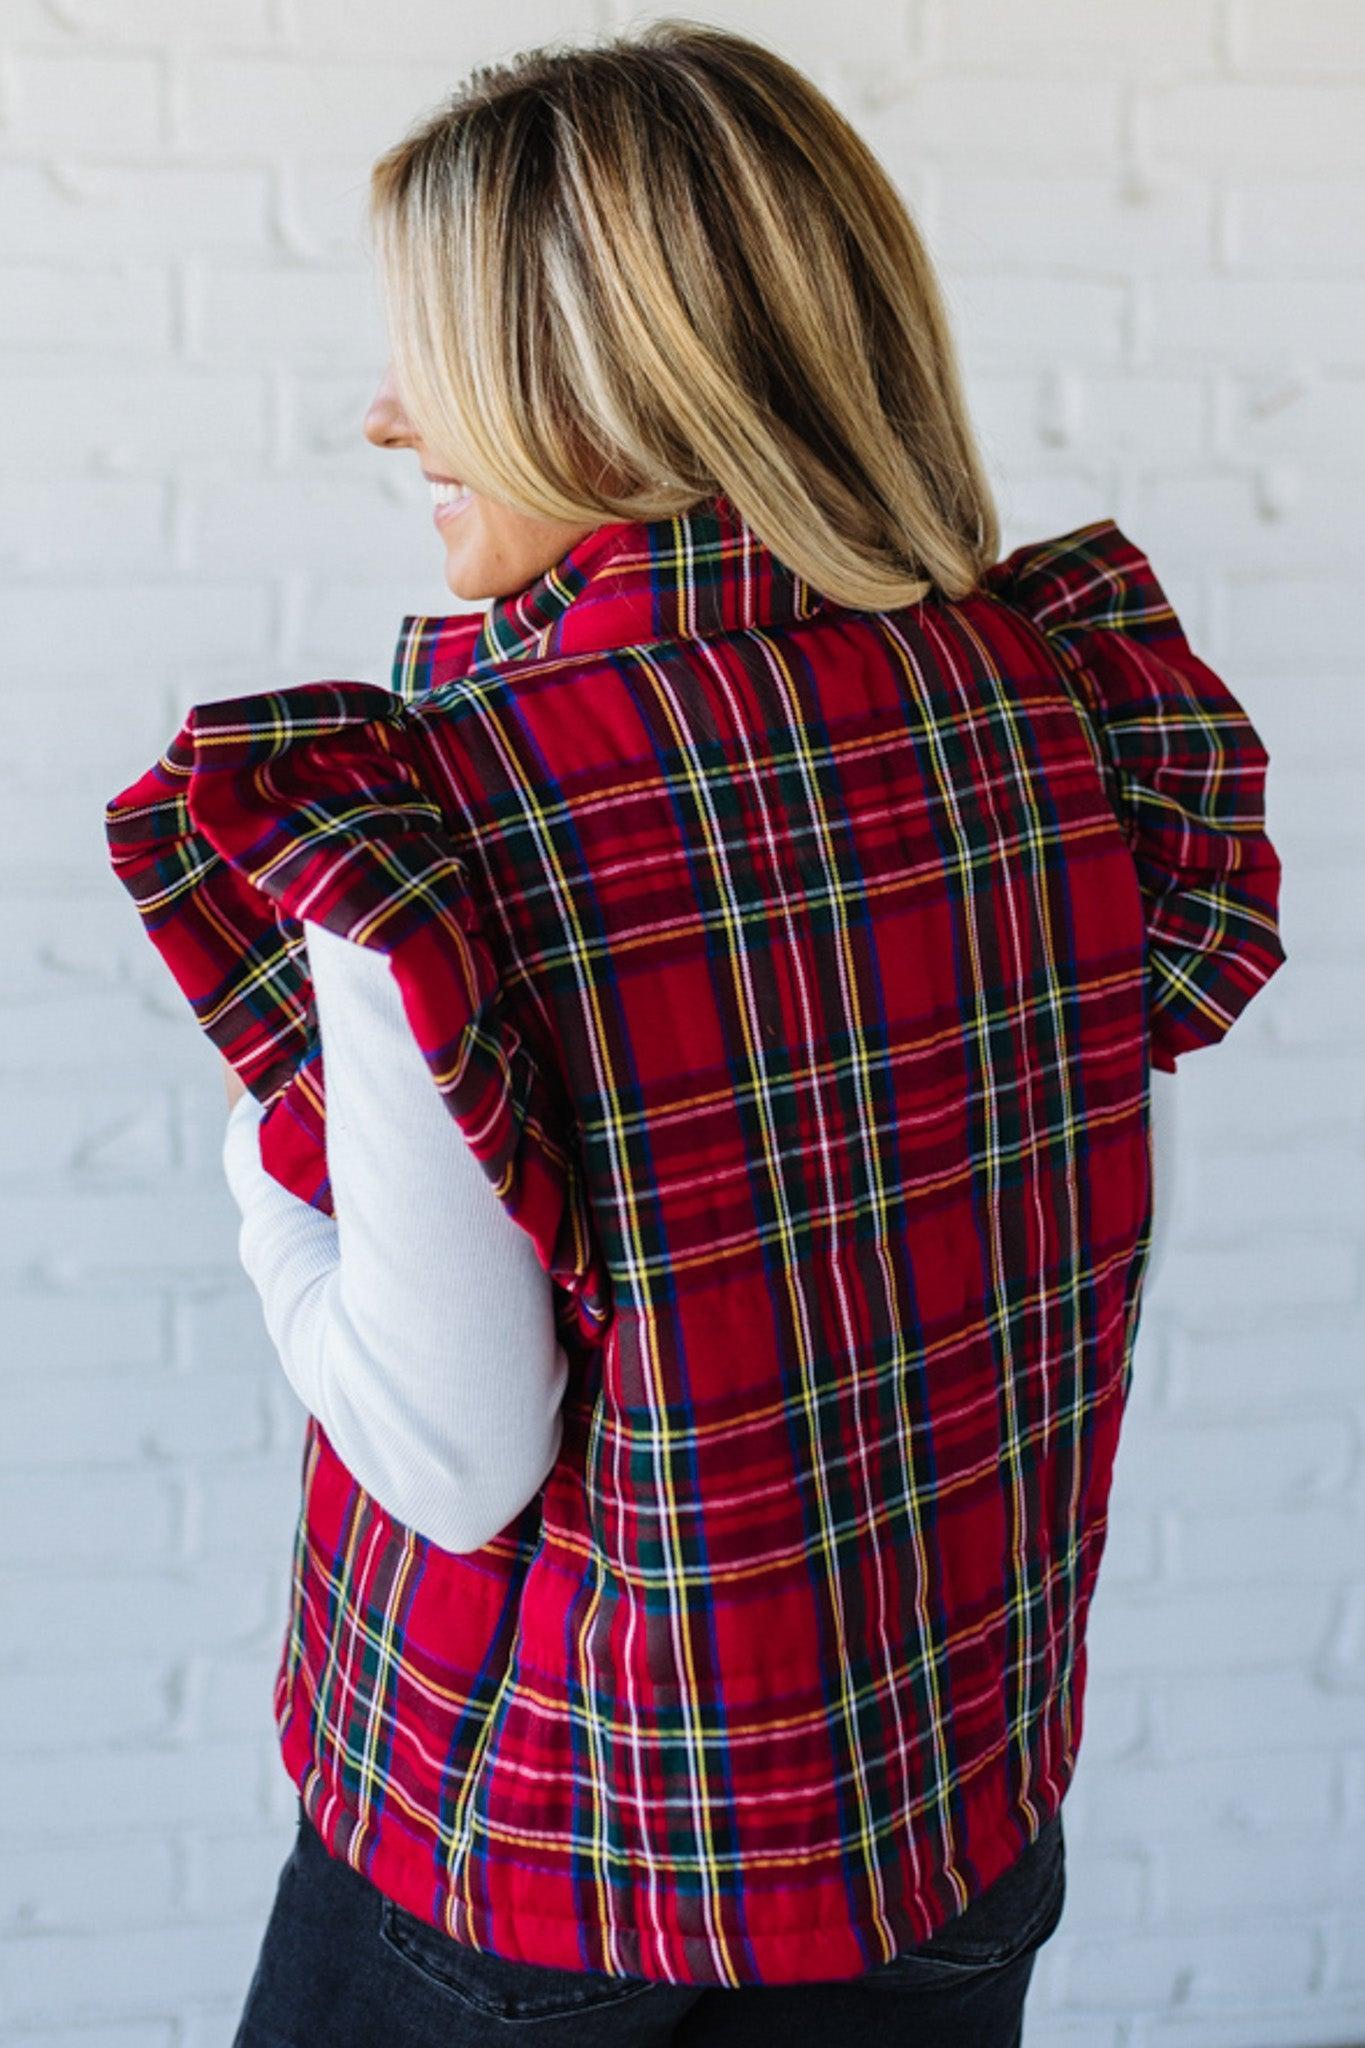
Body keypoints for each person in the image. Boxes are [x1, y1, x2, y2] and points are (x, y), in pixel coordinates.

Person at [102, 20, 1284, 2046]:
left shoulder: (444, 819)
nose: (392, 419)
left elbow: (455, 1454)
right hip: (941, 1826)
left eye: (441, 356)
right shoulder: (1059, 710)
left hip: (543, 1872)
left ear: (613, 387)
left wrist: (255, 1169)